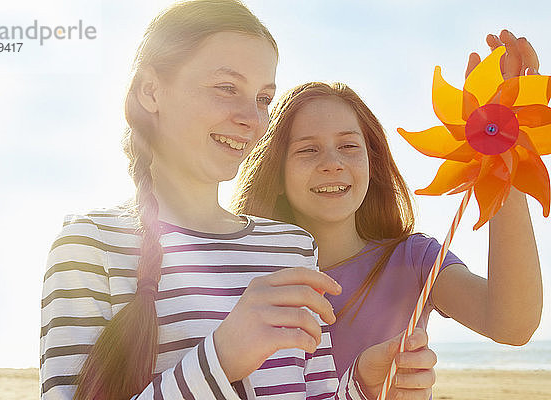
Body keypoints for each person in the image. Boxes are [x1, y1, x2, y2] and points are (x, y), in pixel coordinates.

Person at [39, 1, 437, 399]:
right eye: (227, 88)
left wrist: (362, 388)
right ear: (151, 91)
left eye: (263, 98)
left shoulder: (293, 248)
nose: (252, 118)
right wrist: (221, 357)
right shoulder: (89, 245)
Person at [231, 30, 543, 399]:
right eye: (308, 150)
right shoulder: (248, 273)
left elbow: (511, 324)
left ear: (372, 163)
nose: (332, 163)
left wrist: (504, 150)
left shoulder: (414, 259)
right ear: (276, 173)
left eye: (348, 146)